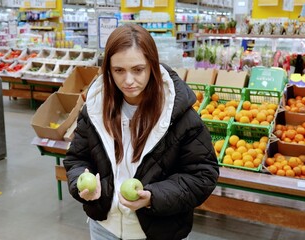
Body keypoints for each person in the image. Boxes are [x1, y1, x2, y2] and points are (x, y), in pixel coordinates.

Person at [63, 24, 219, 240]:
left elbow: (202, 175)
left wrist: (153, 197)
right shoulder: (94, 110)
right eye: (119, 70)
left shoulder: (179, 115)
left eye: (138, 69)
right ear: (108, 69)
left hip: (159, 231)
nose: (128, 81)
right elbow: (76, 159)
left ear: (152, 67)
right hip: (104, 228)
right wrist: (81, 181)